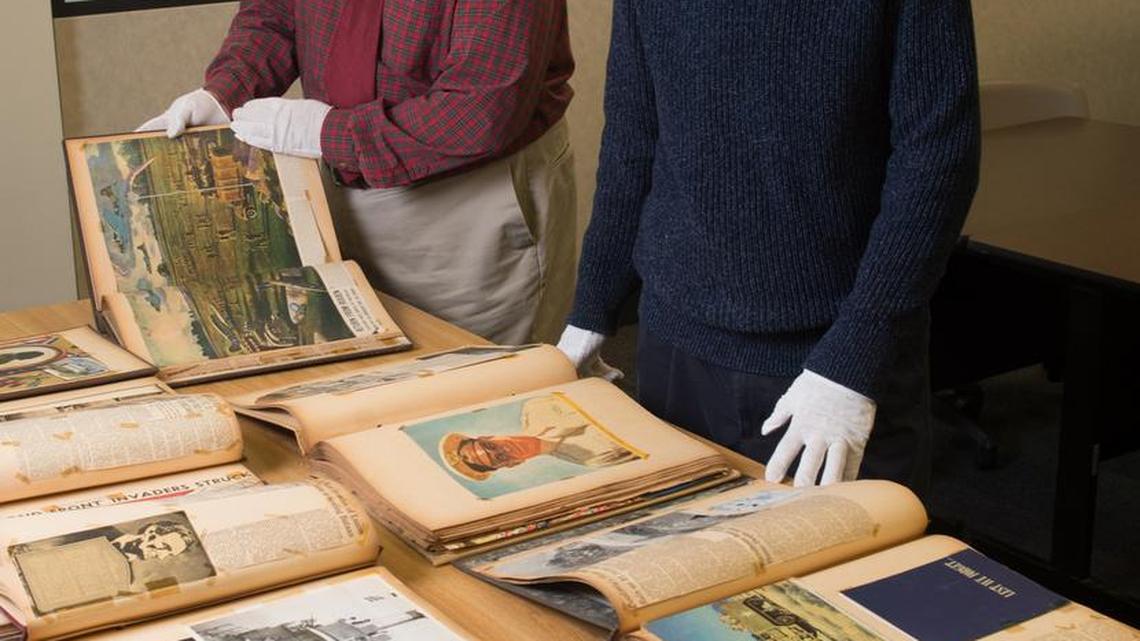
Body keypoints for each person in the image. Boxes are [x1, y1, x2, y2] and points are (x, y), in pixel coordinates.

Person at [558, 1, 981, 493]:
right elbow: (634, 138)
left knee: (845, 566)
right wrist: (592, 308)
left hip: (832, 354)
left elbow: (938, 161)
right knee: (683, 557)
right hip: (674, 342)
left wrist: (856, 354)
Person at [140, 0, 578, 344]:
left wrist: (331, 134)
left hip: (466, 203)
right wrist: (224, 93)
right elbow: (275, 14)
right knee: (362, 390)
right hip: (339, 179)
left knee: (477, 391)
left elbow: (482, 108)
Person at [440, 396, 638, 480]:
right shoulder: (593, 459)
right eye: (498, 458)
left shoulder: (534, 407)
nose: (504, 450)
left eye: (490, 445)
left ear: (489, 436)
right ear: (511, 465)